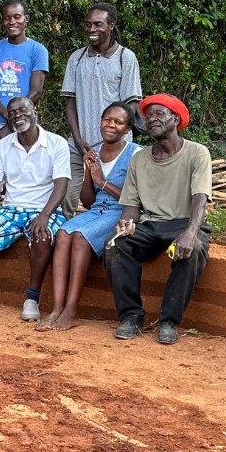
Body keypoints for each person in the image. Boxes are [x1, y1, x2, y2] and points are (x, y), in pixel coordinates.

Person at [105, 93, 212, 345]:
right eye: (148, 115)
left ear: (176, 119)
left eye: (159, 114)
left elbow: (200, 198)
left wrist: (190, 232)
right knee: (115, 244)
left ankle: (169, 321)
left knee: (193, 248)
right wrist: (125, 223)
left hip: (184, 222)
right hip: (150, 225)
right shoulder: (139, 158)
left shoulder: (197, 153)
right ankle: (131, 315)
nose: (151, 119)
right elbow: (131, 205)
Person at [0, 96, 70, 321]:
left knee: (42, 235)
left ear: (35, 111)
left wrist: (44, 215)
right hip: (11, 209)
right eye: (12, 112)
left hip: (45, 208)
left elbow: (61, 185)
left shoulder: (57, 143)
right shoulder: (3, 145)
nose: (17, 115)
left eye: (23, 109)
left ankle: (32, 298)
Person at [37, 102, 140, 331]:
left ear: (127, 129)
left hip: (119, 212)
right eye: (107, 120)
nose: (111, 125)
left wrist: (101, 180)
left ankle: (71, 309)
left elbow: (136, 198)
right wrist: (88, 172)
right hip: (96, 211)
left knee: (81, 237)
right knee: (63, 233)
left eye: (118, 122)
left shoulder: (135, 154)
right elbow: (89, 201)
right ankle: (56, 307)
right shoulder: (94, 150)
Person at [60, 2, 142, 219]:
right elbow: (70, 102)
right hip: (80, 146)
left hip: (114, 150)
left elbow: (130, 105)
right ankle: (61, 241)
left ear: (112, 25)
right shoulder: (76, 58)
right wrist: (78, 141)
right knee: (66, 197)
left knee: (113, 202)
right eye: (88, 24)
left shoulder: (125, 58)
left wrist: (109, 142)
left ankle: (109, 244)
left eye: (98, 24)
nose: (91, 29)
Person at [0, 0, 49, 170]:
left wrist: (17, 120)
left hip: (27, 123)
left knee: (26, 179)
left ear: (26, 18)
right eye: (7, 18)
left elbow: (36, 91)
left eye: (17, 17)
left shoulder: (38, 50)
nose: (12, 22)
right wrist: (9, 117)